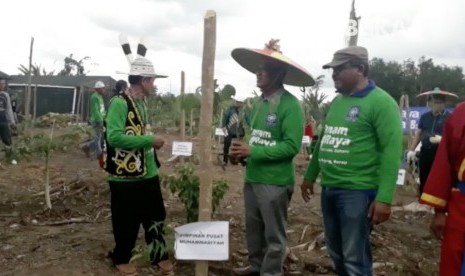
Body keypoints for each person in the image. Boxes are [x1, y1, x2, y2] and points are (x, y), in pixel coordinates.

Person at [301, 46, 403, 276]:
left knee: (355, 257)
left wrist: (385, 198)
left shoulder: (382, 103)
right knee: (336, 251)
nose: (334, 75)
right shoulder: (338, 102)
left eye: (339, 69)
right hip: (330, 189)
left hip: (357, 192)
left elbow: (391, 152)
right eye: (332, 70)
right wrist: (310, 175)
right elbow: (325, 141)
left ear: (360, 69)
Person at [230, 39, 314, 276]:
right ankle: (256, 266)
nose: (259, 72)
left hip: (275, 182)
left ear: (279, 73)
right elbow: (257, 139)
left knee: (274, 236)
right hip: (253, 177)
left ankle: (270, 272)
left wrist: (253, 151)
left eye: (265, 68)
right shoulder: (258, 104)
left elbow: (290, 147)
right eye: (258, 68)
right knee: (254, 230)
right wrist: (242, 155)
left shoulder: (290, 106)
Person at [102, 46, 174, 276]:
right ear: (144, 80)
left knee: (155, 215)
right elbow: (113, 137)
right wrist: (149, 140)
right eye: (152, 81)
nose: (154, 85)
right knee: (126, 220)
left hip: (148, 171)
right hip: (124, 175)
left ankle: (158, 254)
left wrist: (148, 143)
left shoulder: (141, 104)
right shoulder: (119, 103)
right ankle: (121, 257)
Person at [419, 102, 465, 276]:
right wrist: (439, 211)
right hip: (462, 207)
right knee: (455, 260)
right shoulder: (462, 114)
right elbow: (444, 162)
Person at [407, 93, 450, 196]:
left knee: (439, 176)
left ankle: (438, 199)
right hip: (426, 150)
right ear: (431, 103)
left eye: (439, 103)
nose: (437, 105)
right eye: (435, 103)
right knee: (424, 175)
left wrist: (443, 139)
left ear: (444, 104)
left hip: (441, 152)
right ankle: (423, 197)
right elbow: (418, 133)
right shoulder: (425, 117)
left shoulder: (449, 117)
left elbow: (453, 135)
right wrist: (412, 150)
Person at [81, 81, 106, 159]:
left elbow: (101, 109)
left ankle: (87, 147)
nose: (104, 90)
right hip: (96, 120)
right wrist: (100, 120)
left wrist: (105, 117)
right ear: (98, 89)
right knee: (98, 137)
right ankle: (99, 154)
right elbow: (95, 110)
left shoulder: (100, 97)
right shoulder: (94, 97)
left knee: (98, 137)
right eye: (102, 88)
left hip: (100, 119)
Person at [222, 95, 247, 166]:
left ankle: (239, 160)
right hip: (228, 129)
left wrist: (251, 126)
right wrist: (224, 129)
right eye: (236, 102)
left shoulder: (243, 111)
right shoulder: (230, 110)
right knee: (226, 144)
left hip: (239, 131)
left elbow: (247, 120)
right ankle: (225, 160)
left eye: (239, 102)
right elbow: (225, 120)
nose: (237, 103)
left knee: (239, 146)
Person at [0, 77, 17, 165]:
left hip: (3, 121)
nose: (3, 85)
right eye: (1, 83)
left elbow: (9, 109)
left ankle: (10, 158)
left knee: (7, 140)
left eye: (4, 84)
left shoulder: (5, 95)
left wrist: (12, 120)